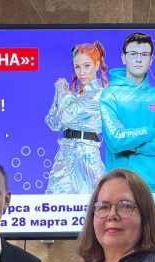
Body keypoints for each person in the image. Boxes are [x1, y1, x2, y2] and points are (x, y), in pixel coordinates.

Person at [100, 32, 155, 193]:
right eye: (133, 54)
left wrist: (136, 147)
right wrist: (153, 132)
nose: (138, 59)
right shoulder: (110, 95)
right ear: (124, 58)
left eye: (144, 55)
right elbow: (116, 140)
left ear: (151, 60)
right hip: (120, 185)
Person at [45, 42, 109, 194]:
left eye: (87, 66)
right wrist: (59, 94)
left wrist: (62, 91)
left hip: (85, 155)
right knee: (53, 203)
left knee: (91, 203)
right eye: (77, 67)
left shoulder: (100, 94)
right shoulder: (73, 95)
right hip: (64, 154)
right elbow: (53, 123)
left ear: (96, 65)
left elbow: (67, 116)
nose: (81, 72)